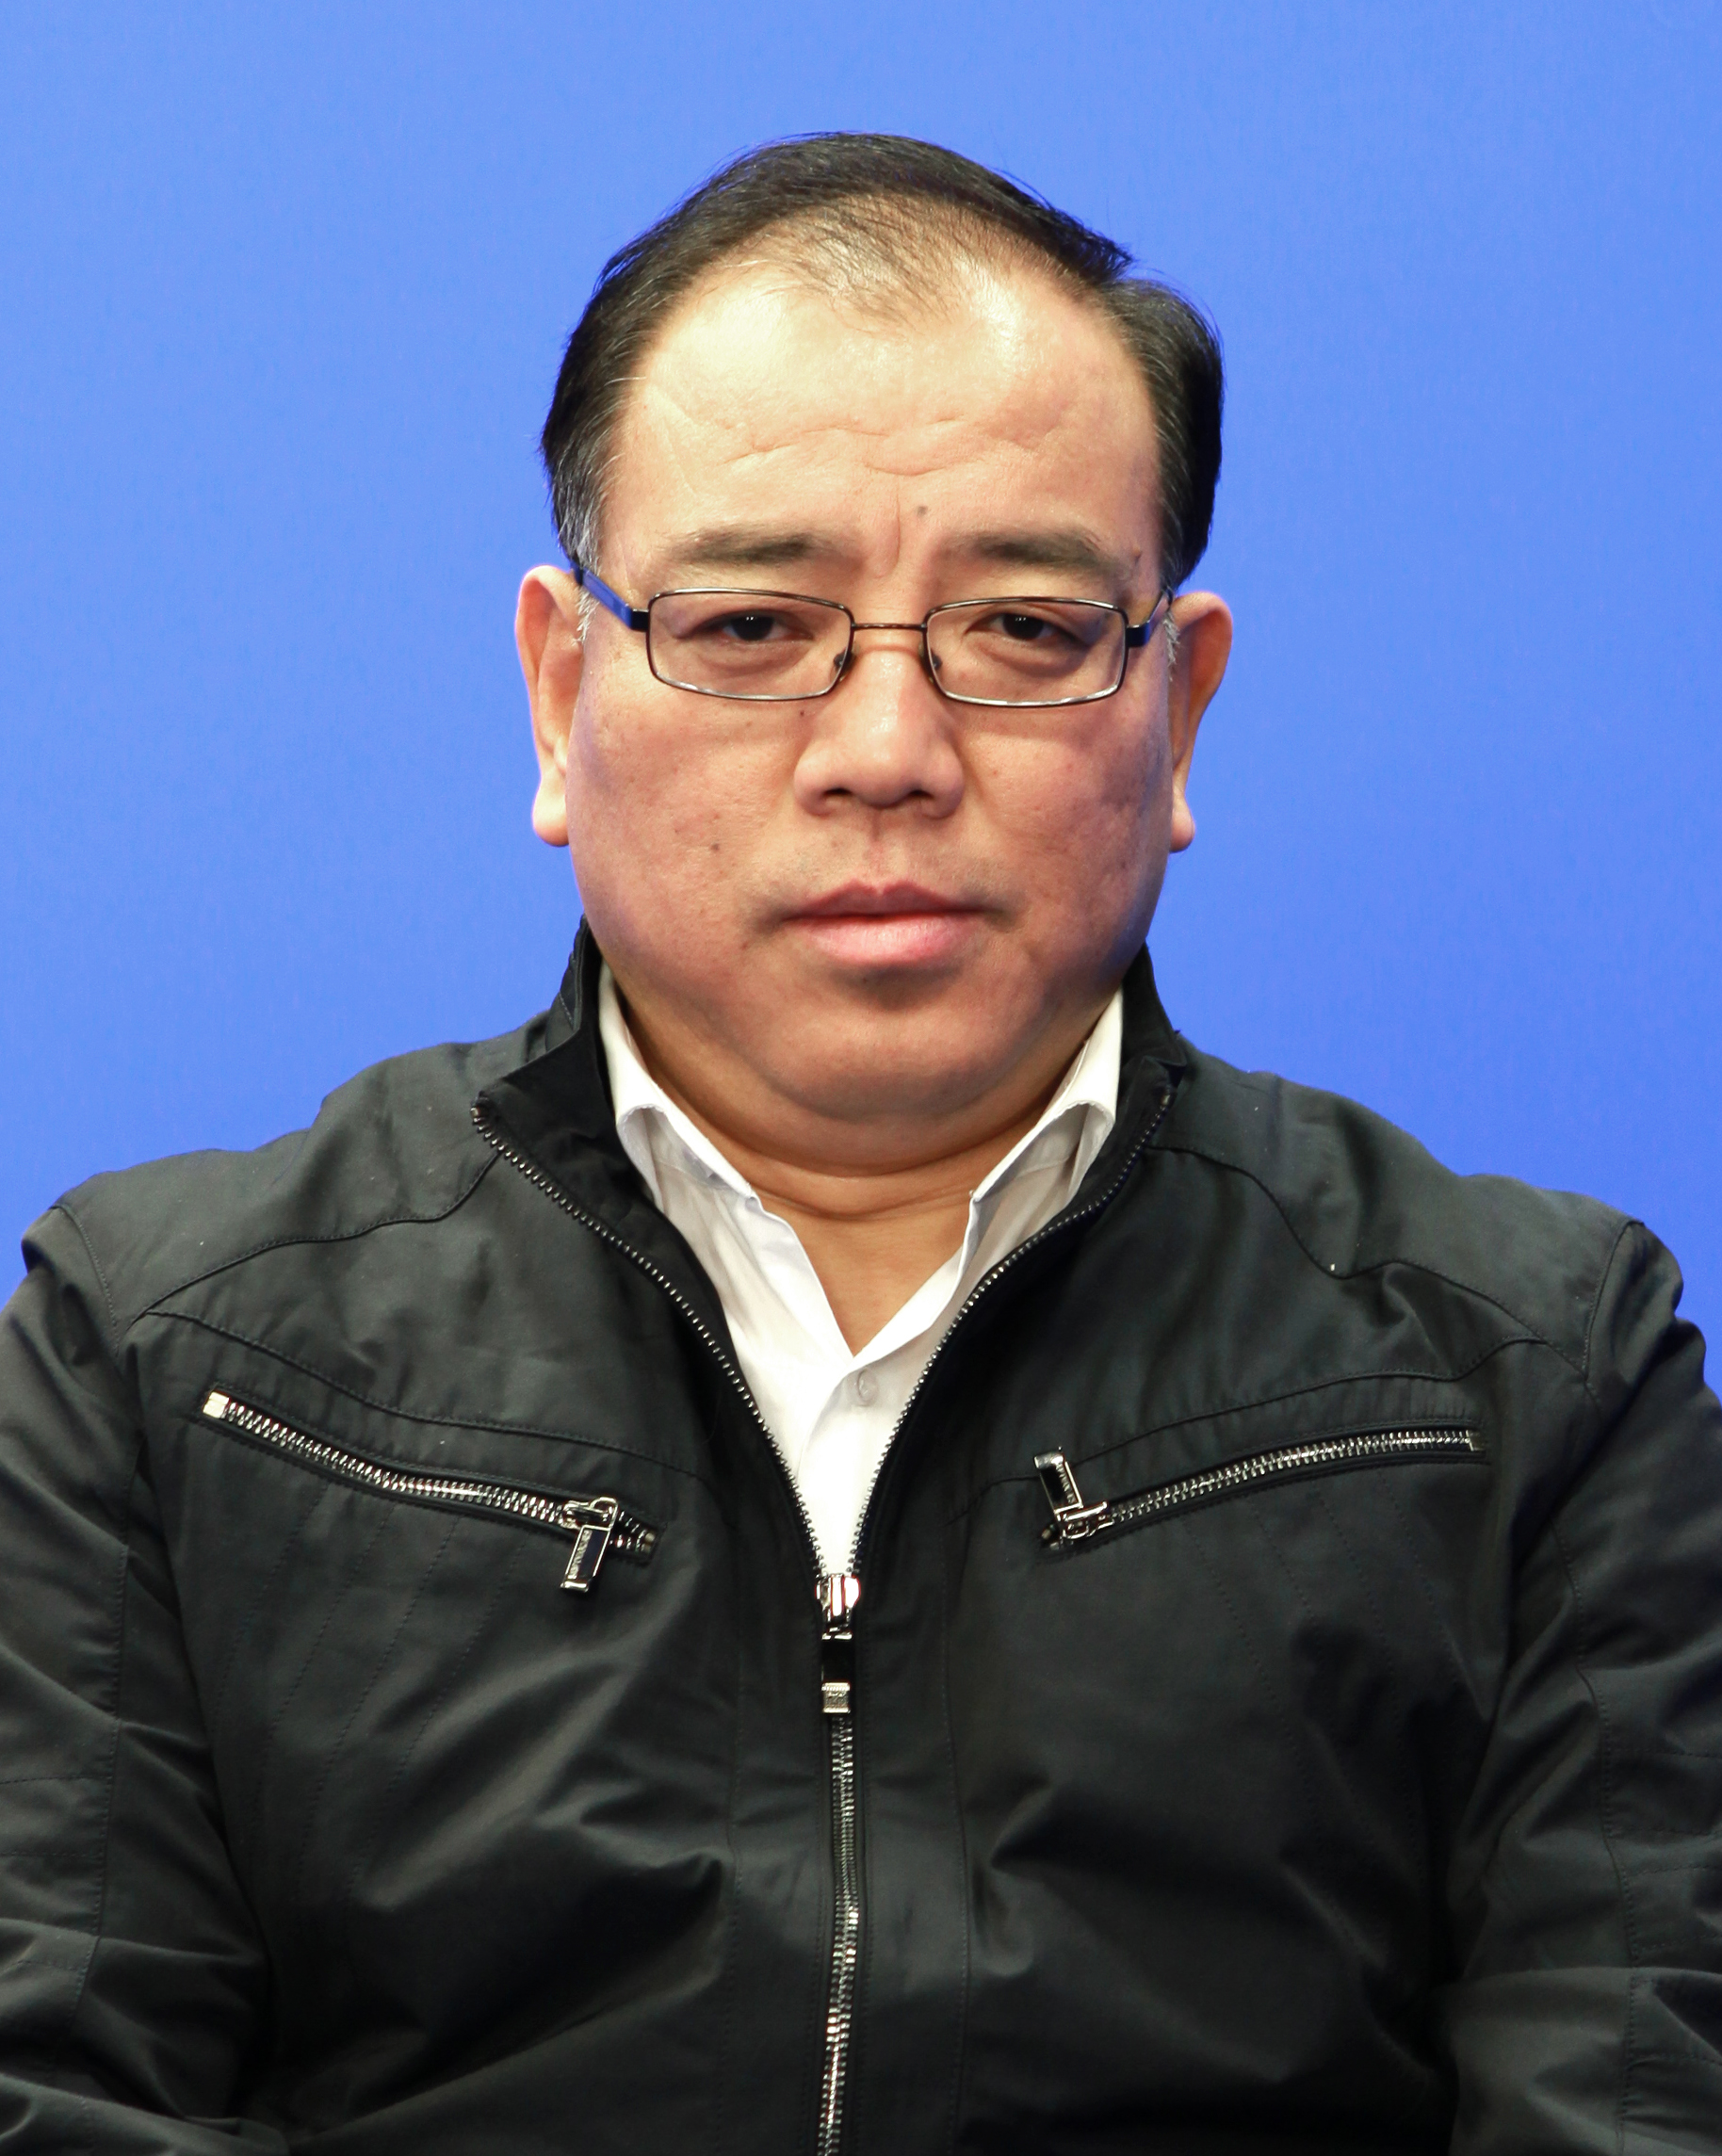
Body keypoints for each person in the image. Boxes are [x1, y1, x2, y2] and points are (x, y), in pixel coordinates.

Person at [1, 133, 1717, 2156]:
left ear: (1178, 707)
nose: (886, 750)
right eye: (749, 625)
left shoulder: (1525, 1375)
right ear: (559, 694)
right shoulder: (177, 1354)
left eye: (1024, 629)